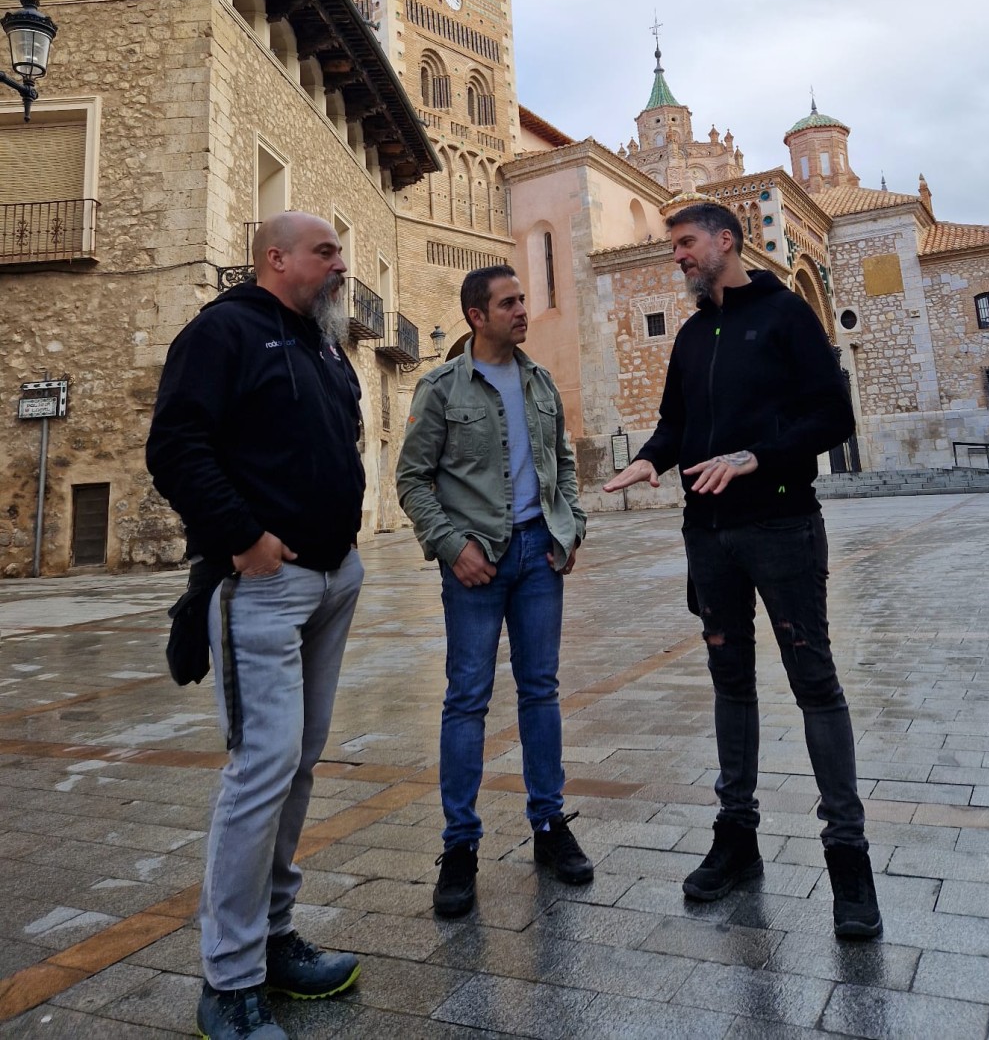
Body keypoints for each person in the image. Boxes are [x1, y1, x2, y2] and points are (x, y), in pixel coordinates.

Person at [604, 202, 881, 939]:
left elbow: (833, 417)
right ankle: (738, 839)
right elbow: (675, 422)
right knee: (730, 680)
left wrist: (759, 455)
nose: (678, 257)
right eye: (674, 248)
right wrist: (646, 460)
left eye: (687, 244)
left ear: (726, 242)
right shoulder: (692, 335)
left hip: (784, 524)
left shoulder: (786, 315)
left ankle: (848, 858)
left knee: (814, 681)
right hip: (710, 534)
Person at [147, 212, 366, 1039]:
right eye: (326, 251)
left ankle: (274, 939)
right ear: (277, 258)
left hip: (332, 578)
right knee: (261, 766)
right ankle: (229, 978)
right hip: (265, 584)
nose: (340, 265)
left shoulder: (320, 342)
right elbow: (175, 446)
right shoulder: (224, 331)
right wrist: (243, 538)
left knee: (299, 761)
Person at [396, 264, 592, 917]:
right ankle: (459, 846)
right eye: (508, 302)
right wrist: (454, 547)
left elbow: (562, 462)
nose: (522, 310)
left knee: (541, 689)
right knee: (467, 699)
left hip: (539, 554)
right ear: (476, 315)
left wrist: (570, 525)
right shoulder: (441, 387)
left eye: (522, 300)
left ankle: (548, 825)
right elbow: (414, 481)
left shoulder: (539, 381)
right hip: (475, 564)